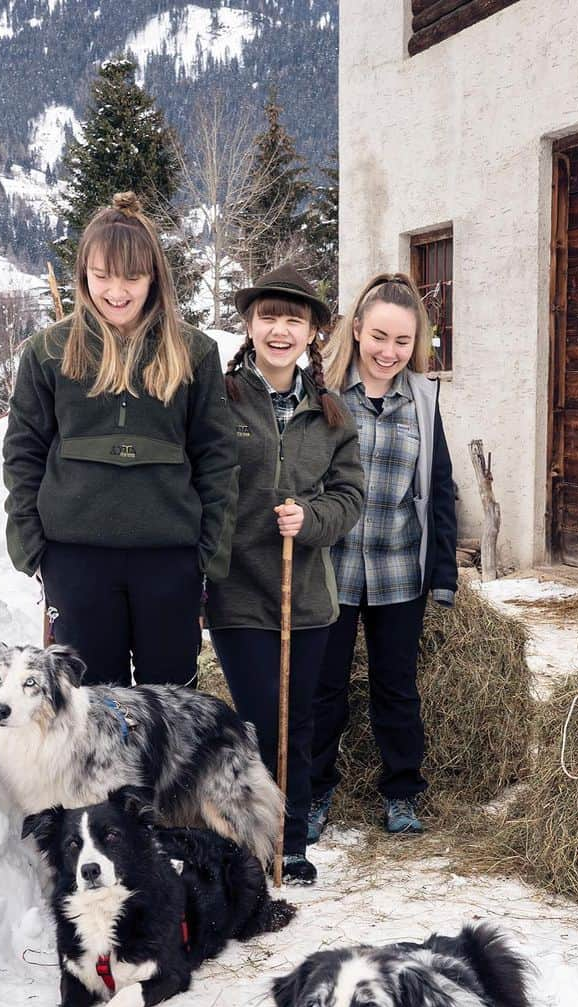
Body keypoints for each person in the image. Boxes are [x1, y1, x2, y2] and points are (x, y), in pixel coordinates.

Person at [2, 190, 237, 687]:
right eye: (102, 275)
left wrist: (207, 553)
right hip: (76, 558)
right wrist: (32, 546)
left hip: (169, 559)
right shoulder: (49, 351)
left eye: (132, 276)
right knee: (92, 707)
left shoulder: (193, 352)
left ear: (154, 277)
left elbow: (216, 456)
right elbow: (23, 453)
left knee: (171, 705)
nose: (116, 290)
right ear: (84, 274)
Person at [205, 265, 364, 886]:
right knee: (256, 720)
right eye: (268, 316)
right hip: (239, 591)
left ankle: (291, 842)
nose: (280, 329)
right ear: (249, 325)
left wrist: (312, 516)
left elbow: (350, 496)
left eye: (293, 319)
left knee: (296, 724)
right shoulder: (220, 399)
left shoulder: (331, 413)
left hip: (309, 599)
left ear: (312, 335)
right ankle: (252, 833)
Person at [307, 273, 458, 840]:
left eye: (402, 342)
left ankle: (401, 794)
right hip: (333, 568)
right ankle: (315, 790)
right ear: (357, 330)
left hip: (399, 570)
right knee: (326, 688)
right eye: (379, 337)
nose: (389, 352)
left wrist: (443, 570)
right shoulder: (323, 392)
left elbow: (439, 487)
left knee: (396, 687)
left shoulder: (422, 398)